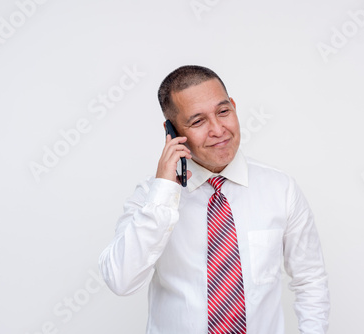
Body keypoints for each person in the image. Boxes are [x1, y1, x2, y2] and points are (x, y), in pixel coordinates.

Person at [99, 65, 330, 333]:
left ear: (233, 106)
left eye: (223, 112)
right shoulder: (150, 198)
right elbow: (121, 281)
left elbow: (310, 280)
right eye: (198, 121)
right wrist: (163, 191)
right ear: (171, 131)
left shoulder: (281, 189)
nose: (218, 130)